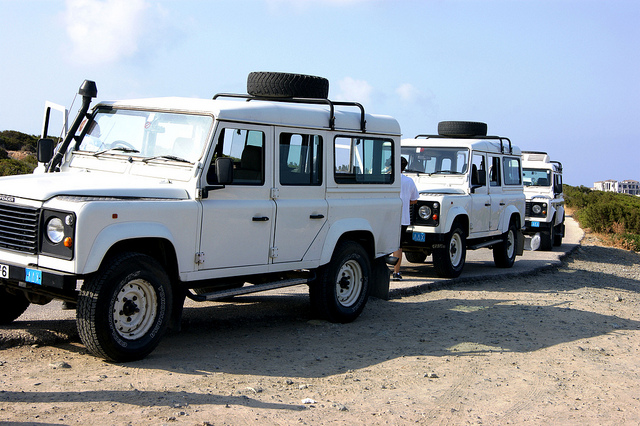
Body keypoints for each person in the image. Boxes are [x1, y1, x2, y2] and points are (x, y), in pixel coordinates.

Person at [392, 156, 419, 280]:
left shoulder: (387, 179)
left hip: (387, 217)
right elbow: (414, 200)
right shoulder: (409, 181)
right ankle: (396, 272)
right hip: (403, 218)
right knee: (398, 246)